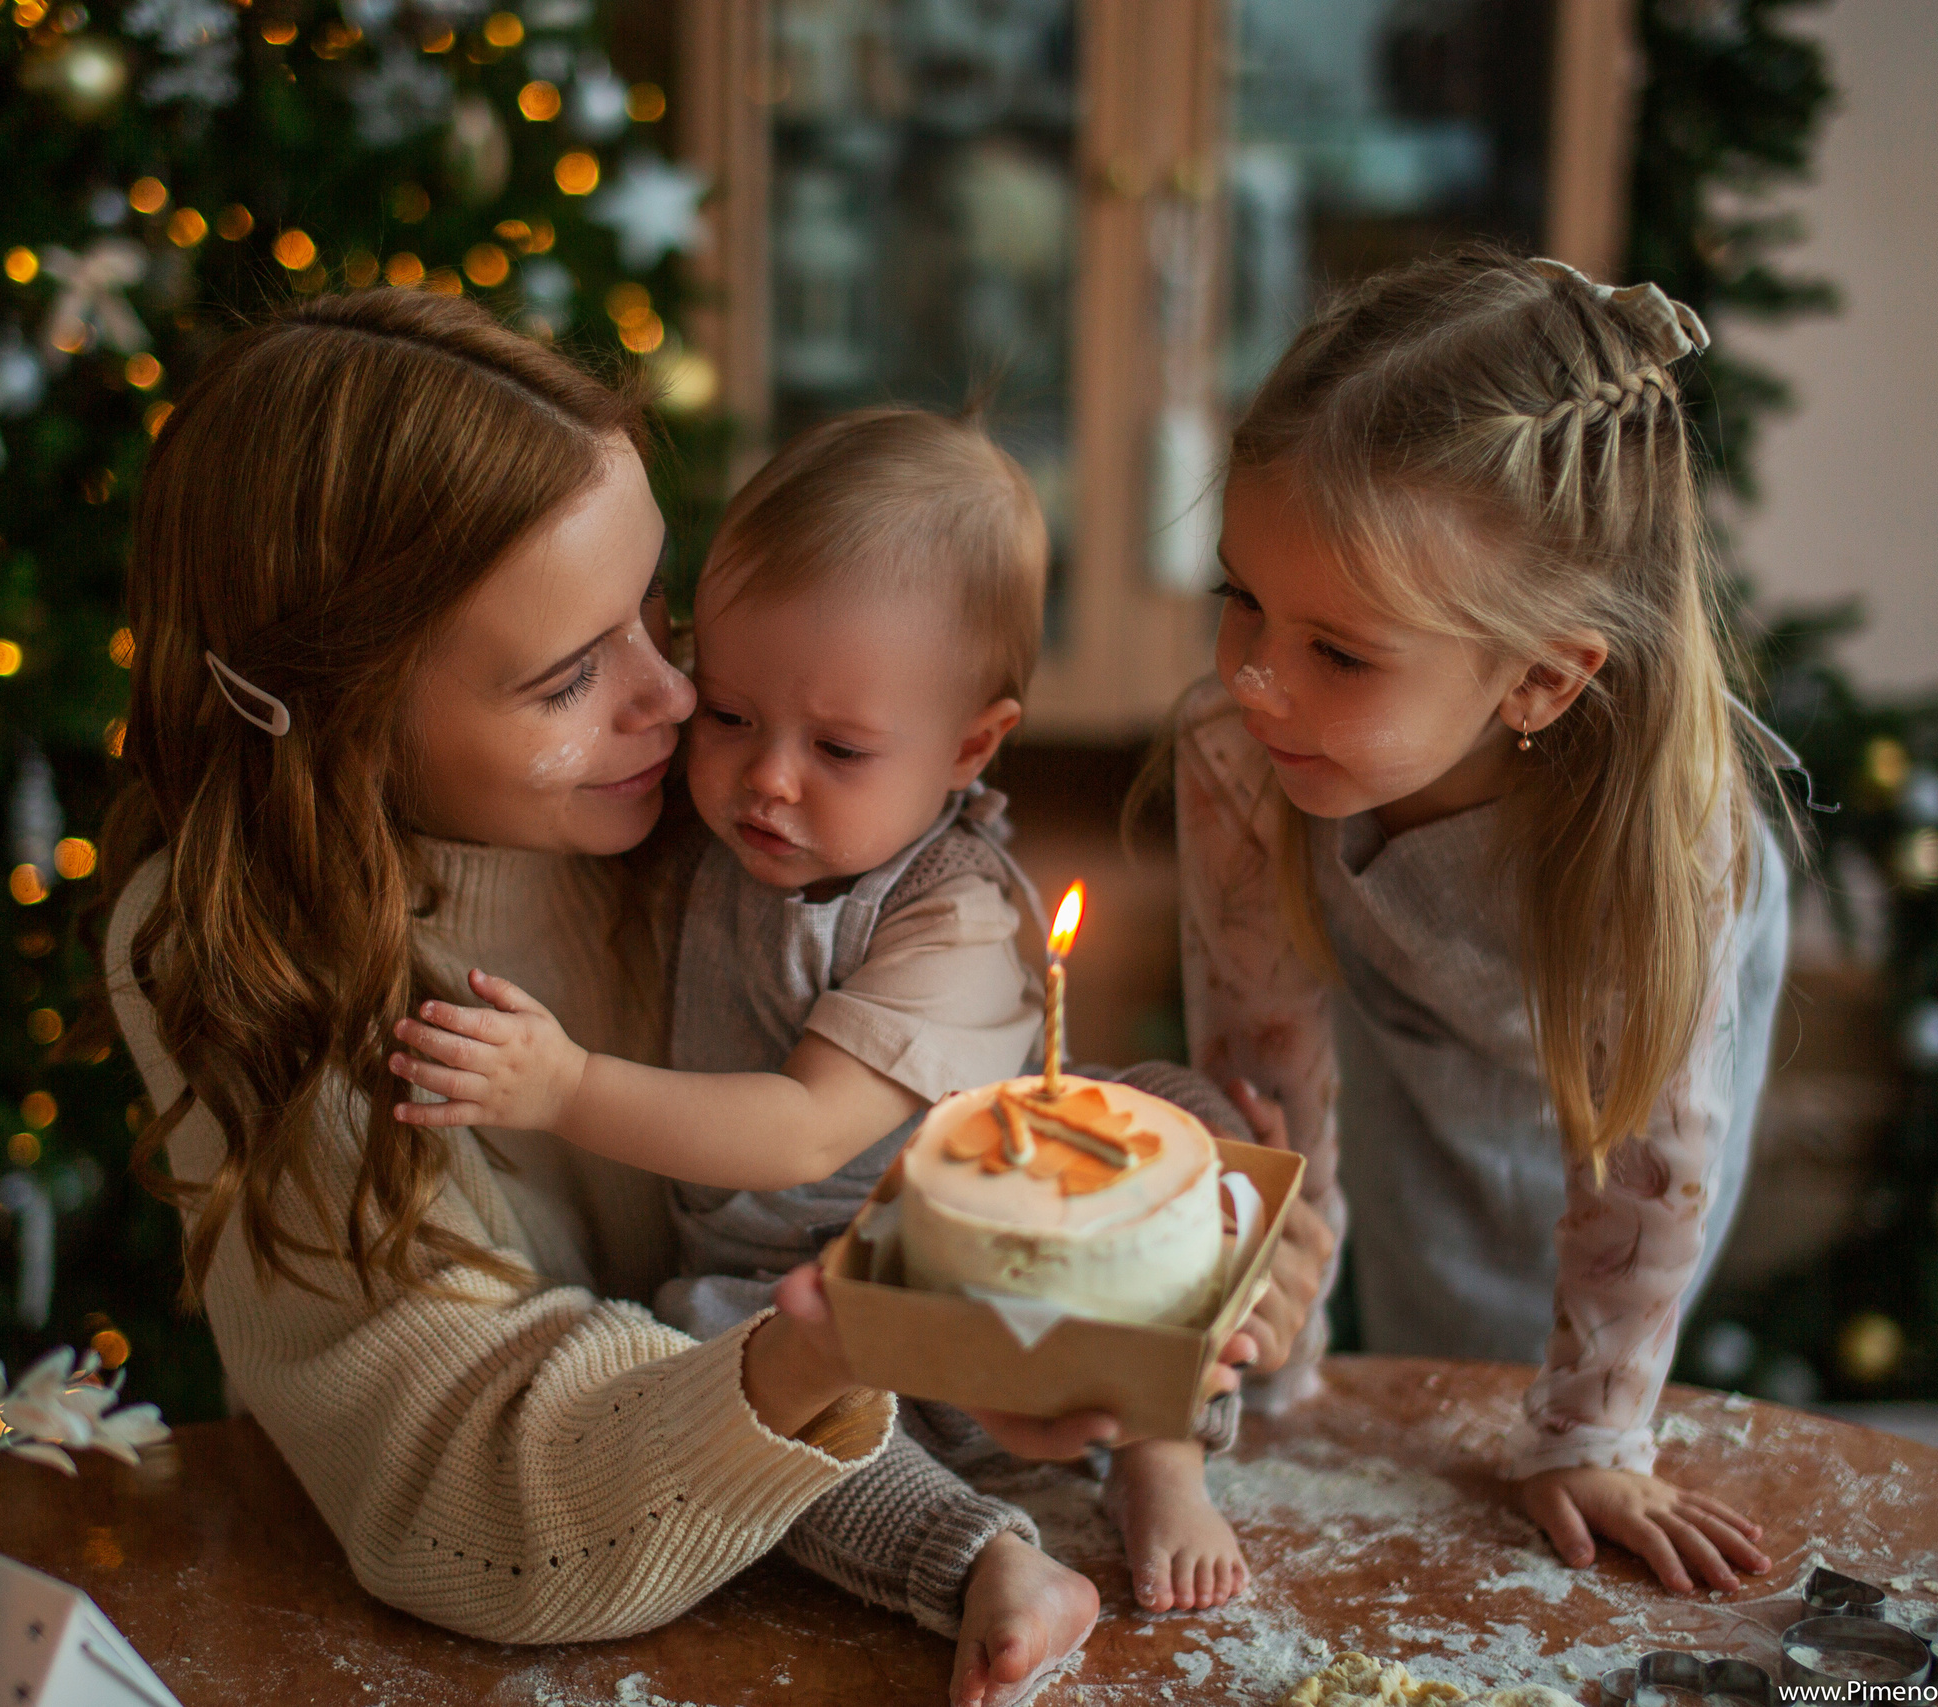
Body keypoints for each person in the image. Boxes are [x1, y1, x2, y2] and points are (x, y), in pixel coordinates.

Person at [91, 291, 1332, 1707]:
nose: (680, 698)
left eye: (657, 613)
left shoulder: (719, 792)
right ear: (346, 715)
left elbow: (944, 1061)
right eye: (570, 674)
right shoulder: (246, 962)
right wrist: (844, 1336)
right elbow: (464, 1494)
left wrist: (1183, 1254)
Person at [391, 409, 1279, 1653]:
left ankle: (1160, 1458)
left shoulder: (952, 911)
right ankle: (980, 1563)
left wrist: (566, 1086)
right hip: (788, 1304)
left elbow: (810, 1129)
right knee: (713, 1366)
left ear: (971, 745)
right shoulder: (720, 826)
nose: (767, 779)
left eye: (842, 747)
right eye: (732, 715)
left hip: (968, 1276)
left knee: (1170, 1123)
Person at [1160, 247, 1792, 1597]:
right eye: (1239, 599)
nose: (1256, 680)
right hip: (1406, 1005)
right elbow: (1264, 1075)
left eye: (1338, 650)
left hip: (1627, 1054)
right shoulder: (1241, 752)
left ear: (1542, 680)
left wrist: (1591, 1434)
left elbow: (1646, 1168)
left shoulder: (1667, 840)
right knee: (1429, 1299)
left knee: (1575, 1346)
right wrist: (1274, 1352)